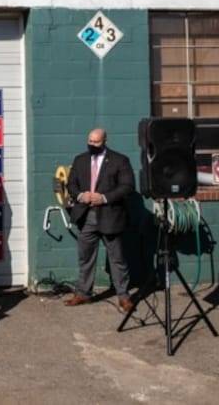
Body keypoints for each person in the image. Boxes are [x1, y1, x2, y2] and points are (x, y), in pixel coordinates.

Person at [65, 128, 135, 311]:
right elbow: (71, 183)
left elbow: (127, 186)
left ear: (105, 141)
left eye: (96, 142)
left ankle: (123, 296)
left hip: (110, 215)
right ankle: (83, 293)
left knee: (117, 258)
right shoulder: (80, 160)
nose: (92, 145)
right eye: (90, 141)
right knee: (85, 256)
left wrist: (104, 198)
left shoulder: (120, 160)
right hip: (86, 216)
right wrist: (81, 195)